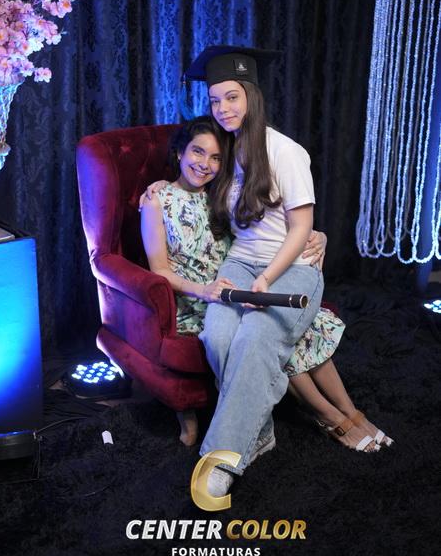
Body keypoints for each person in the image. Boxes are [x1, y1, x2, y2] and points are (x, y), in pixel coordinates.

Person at [176, 45, 392, 496]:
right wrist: (160, 185)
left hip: (292, 267)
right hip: (241, 262)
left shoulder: (286, 151)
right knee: (217, 336)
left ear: (251, 96)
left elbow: (302, 228)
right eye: (215, 100)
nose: (223, 108)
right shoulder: (224, 149)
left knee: (256, 338)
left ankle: (221, 459)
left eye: (232, 97)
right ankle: (259, 434)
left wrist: (268, 279)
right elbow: (191, 175)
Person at [140, 113, 392, 468]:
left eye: (215, 158)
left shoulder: (222, 193)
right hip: (199, 300)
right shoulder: (156, 200)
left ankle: (350, 412)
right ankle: (330, 417)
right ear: (180, 152)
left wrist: (316, 235)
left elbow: (267, 231)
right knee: (268, 336)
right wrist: (204, 291)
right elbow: (160, 272)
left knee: (288, 325)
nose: (205, 164)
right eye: (197, 152)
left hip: (241, 285)